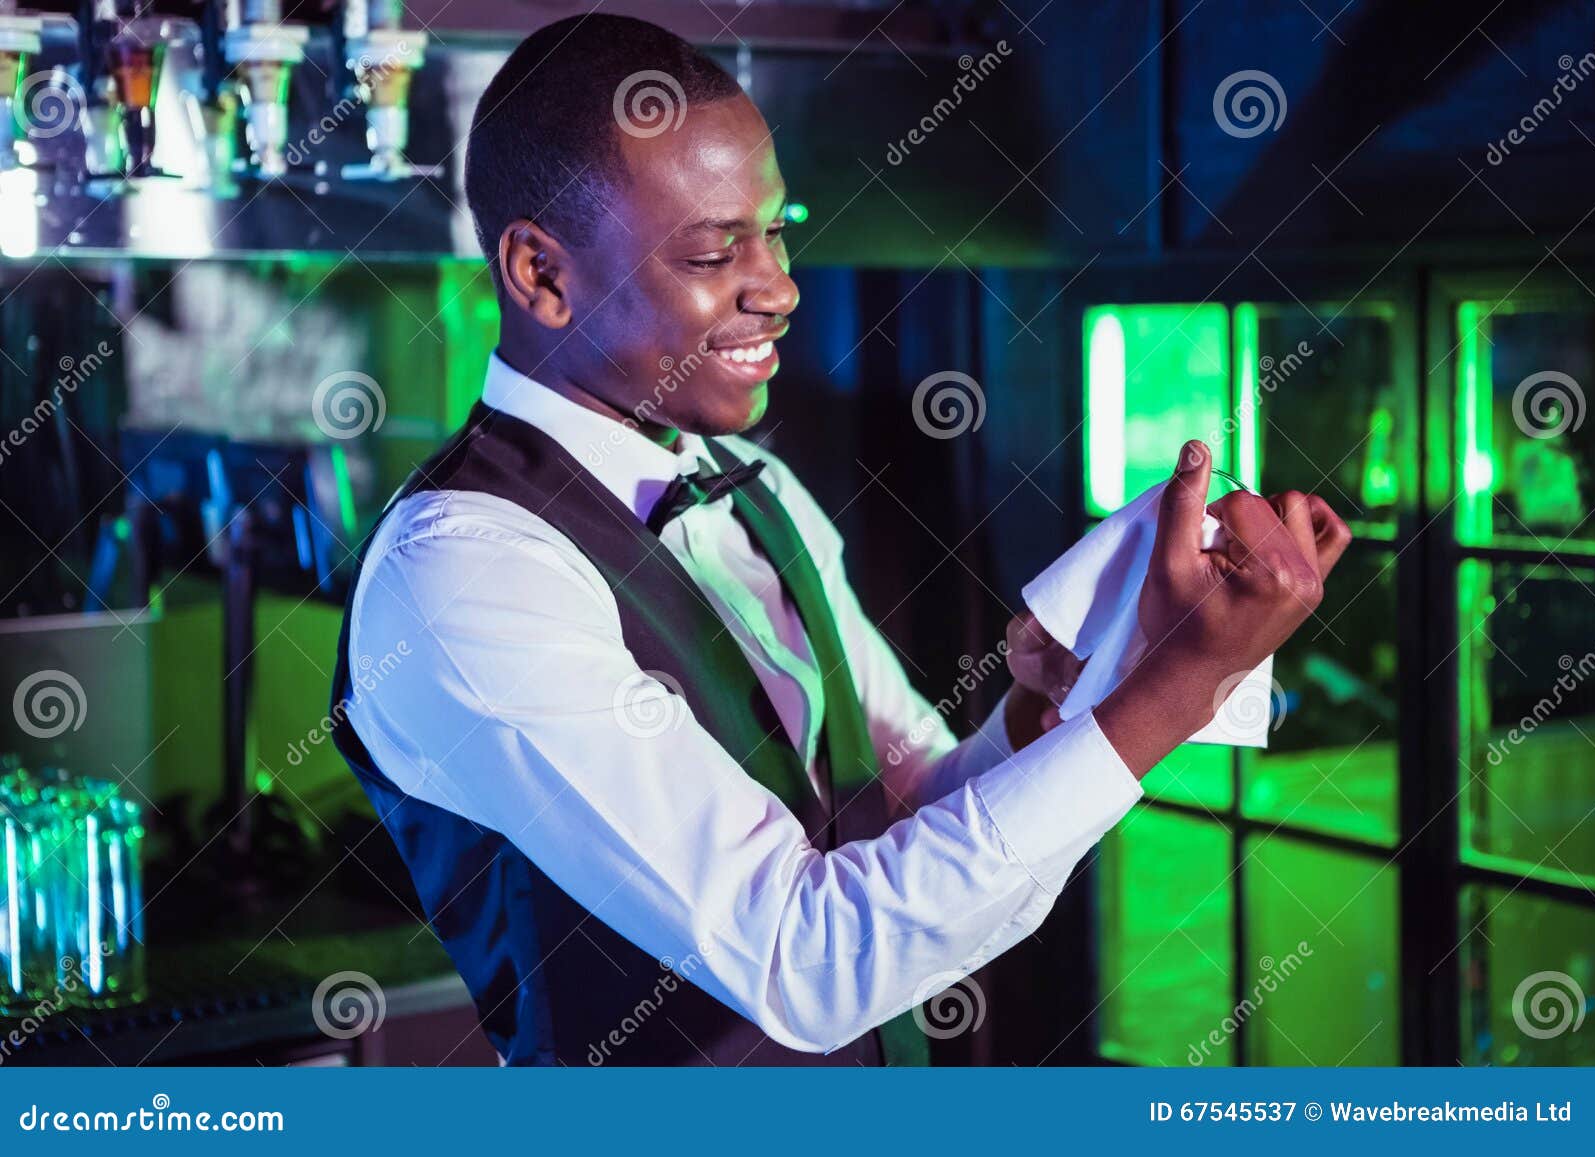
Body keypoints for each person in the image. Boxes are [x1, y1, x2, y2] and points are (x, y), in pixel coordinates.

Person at [330, 13, 1351, 1066]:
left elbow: (913, 821)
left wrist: (1044, 711)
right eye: (713, 249)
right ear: (542, 274)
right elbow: (806, 957)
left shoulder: (762, 488)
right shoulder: (460, 567)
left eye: (777, 230)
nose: (778, 286)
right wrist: (1180, 685)